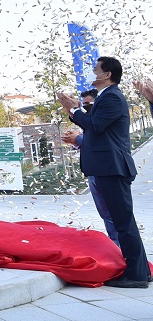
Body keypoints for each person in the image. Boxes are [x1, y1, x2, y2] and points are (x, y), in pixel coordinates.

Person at [58, 57, 151, 288]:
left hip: (112, 168)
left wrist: (73, 108)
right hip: (106, 168)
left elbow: (95, 125)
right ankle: (140, 271)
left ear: (107, 74)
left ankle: (136, 275)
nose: (92, 73)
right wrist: (75, 112)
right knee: (123, 222)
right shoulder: (105, 97)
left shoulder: (112, 97)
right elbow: (94, 125)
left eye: (95, 70)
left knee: (123, 223)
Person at [62, 88, 119, 246]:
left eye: (88, 104)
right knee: (105, 214)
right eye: (83, 104)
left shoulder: (105, 117)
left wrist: (79, 139)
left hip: (107, 171)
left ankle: (121, 249)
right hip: (93, 172)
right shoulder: (89, 121)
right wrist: (76, 141)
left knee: (114, 215)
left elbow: (105, 141)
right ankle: (115, 246)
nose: (86, 108)